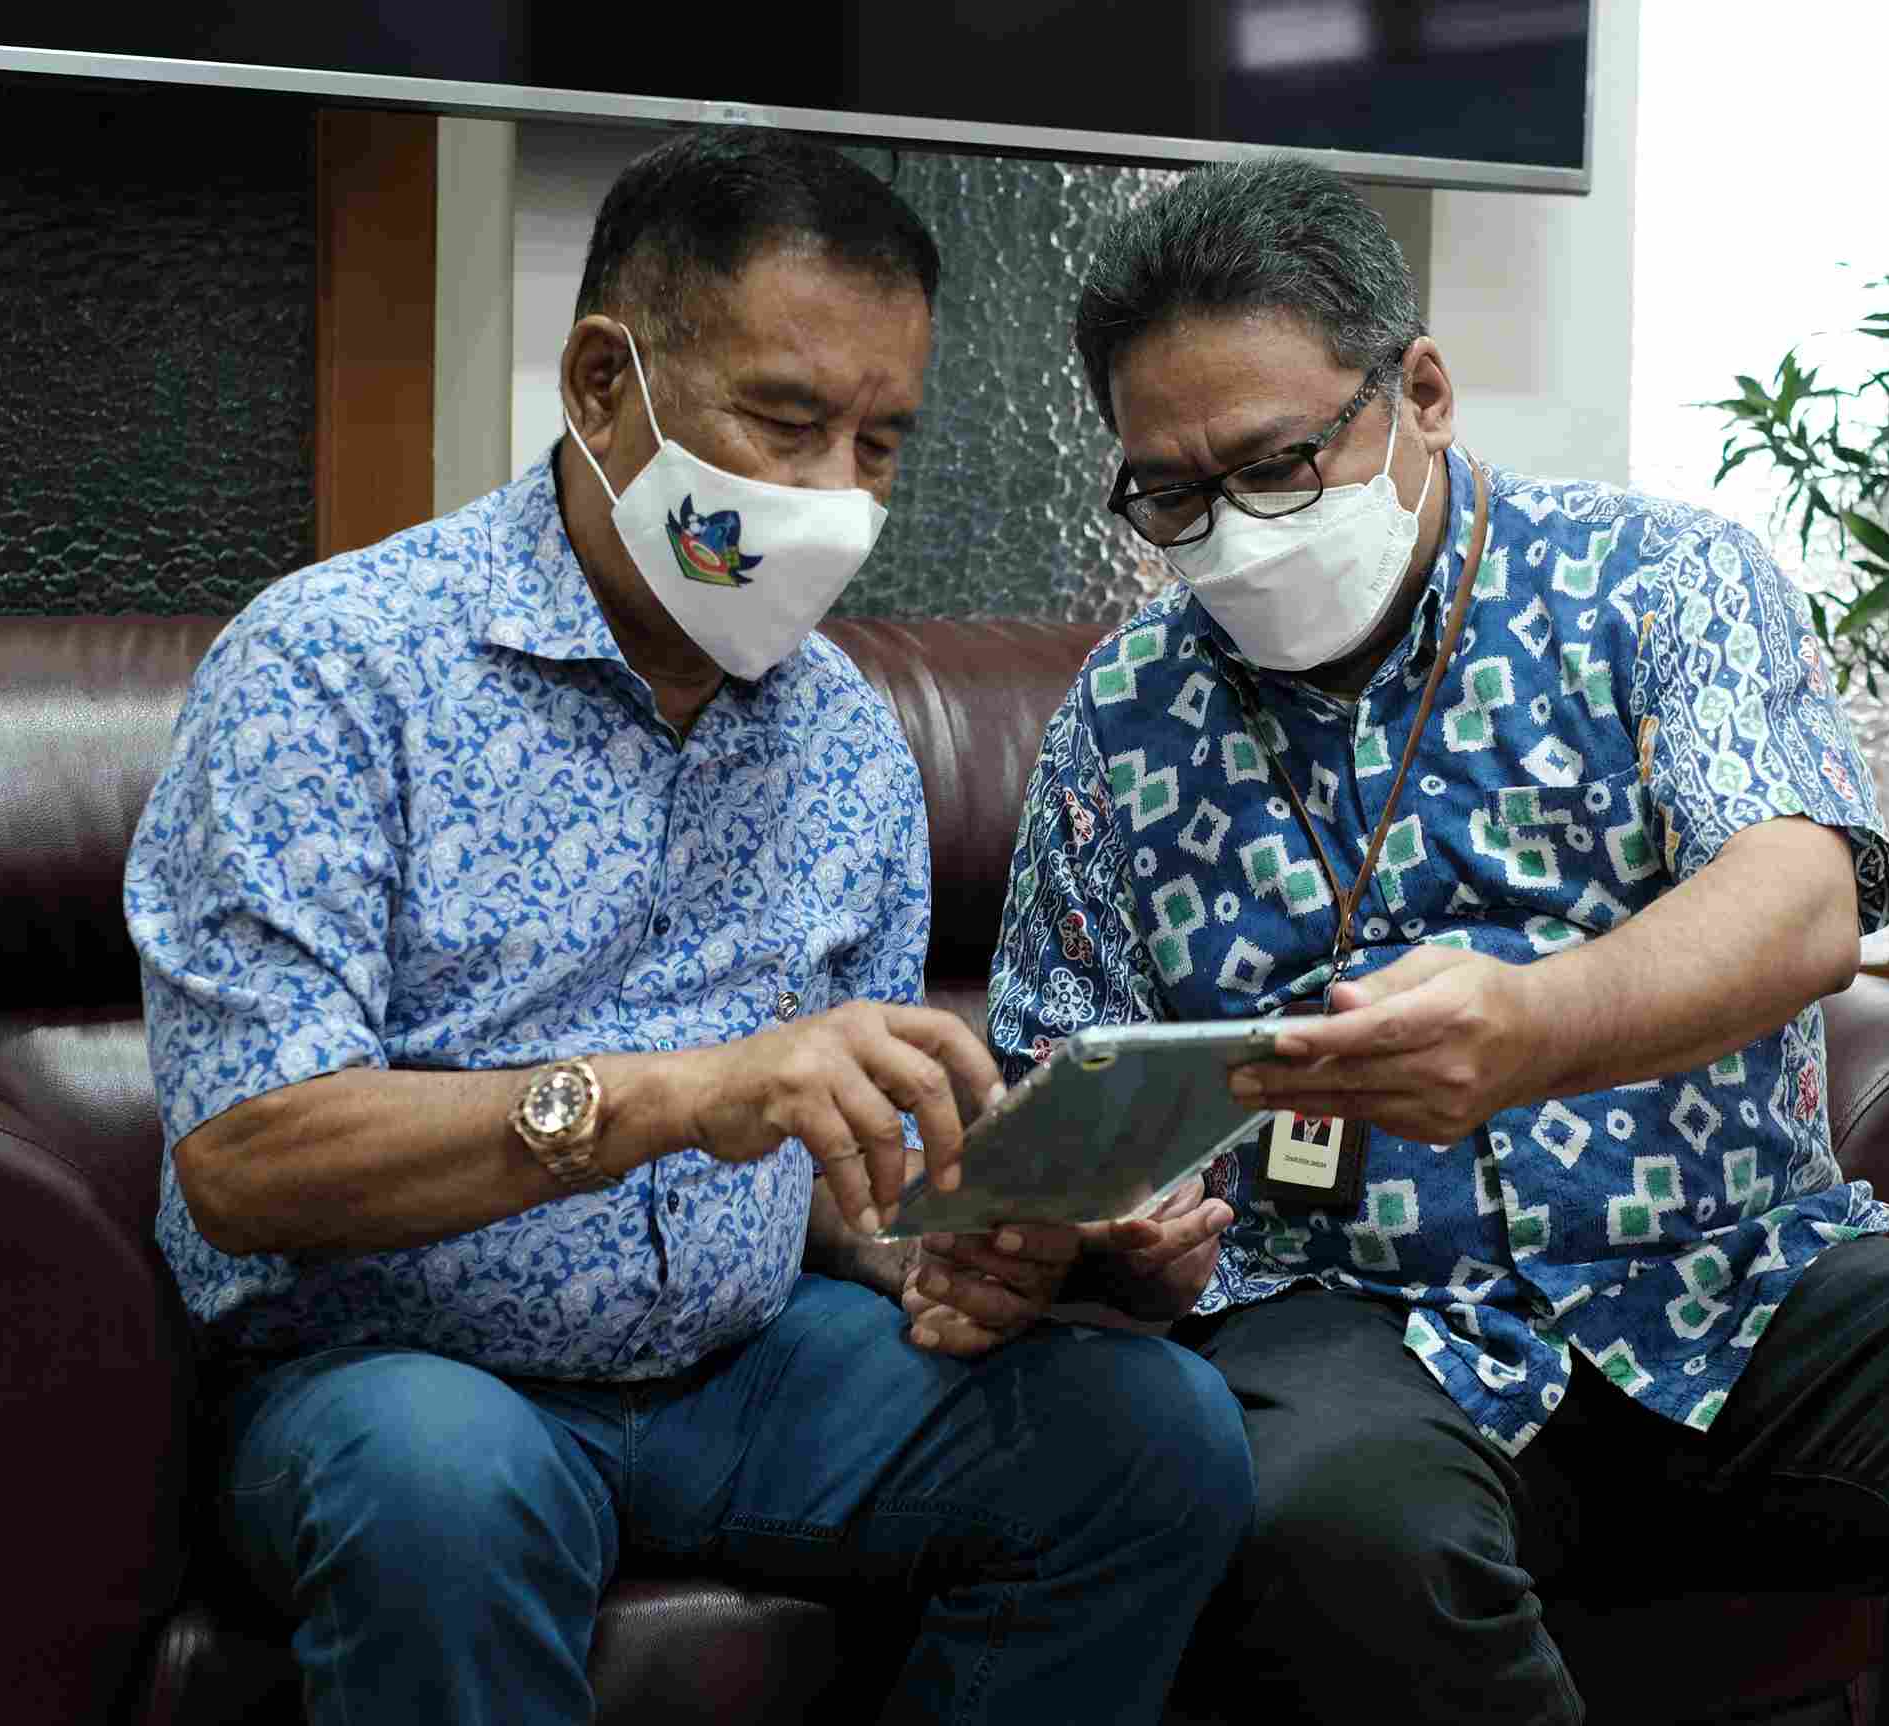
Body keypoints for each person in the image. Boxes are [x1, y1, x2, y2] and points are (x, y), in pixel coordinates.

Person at [978, 158, 1889, 1724]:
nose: (1231, 535)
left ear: (1418, 393)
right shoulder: (1123, 714)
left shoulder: (1656, 581)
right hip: (1350, 1310)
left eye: (1275, 466)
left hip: (1724, 1277)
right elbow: (1060, 1074)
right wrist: (1118, 1231)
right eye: (1171, 495)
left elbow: (1801, 894)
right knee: (1335, 1525)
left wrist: (1535, 1025)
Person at [124, 127, 1253, 1726]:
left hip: (750, 1368)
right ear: (604, 384)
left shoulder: (847, 737)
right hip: (397, 1370)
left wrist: (1009, 1246)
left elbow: (847, 1188)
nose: (836, 496)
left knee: (1153, 1437)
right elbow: (244, 1161)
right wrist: (676, 1095)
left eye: (879, 442)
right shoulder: (332, 669)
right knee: (443, 1482)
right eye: (786, 423)